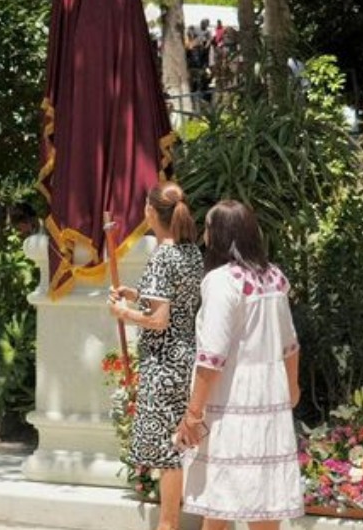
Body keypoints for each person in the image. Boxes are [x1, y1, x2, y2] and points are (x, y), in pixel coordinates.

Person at [175, 199, 304, 529]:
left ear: (217, 235)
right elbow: (290, 345)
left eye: (207, 228)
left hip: (232, 399)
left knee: (220, 497)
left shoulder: (221, 281)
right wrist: (291, 389)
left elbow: (211, 358)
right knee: (262, 501)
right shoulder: (274, 277)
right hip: (269, 397)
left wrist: (193, 414)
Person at [106, 182, 203, 530]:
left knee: (168, 451)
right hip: (186, 357)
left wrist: (125, 313)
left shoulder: (163, 255)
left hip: (164, 364)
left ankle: (168, 524)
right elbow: (175, 303)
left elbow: (159, 320)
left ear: (150, 211)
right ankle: (169, 522)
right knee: (176, 447)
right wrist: (137, 294)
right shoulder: (191, 252)